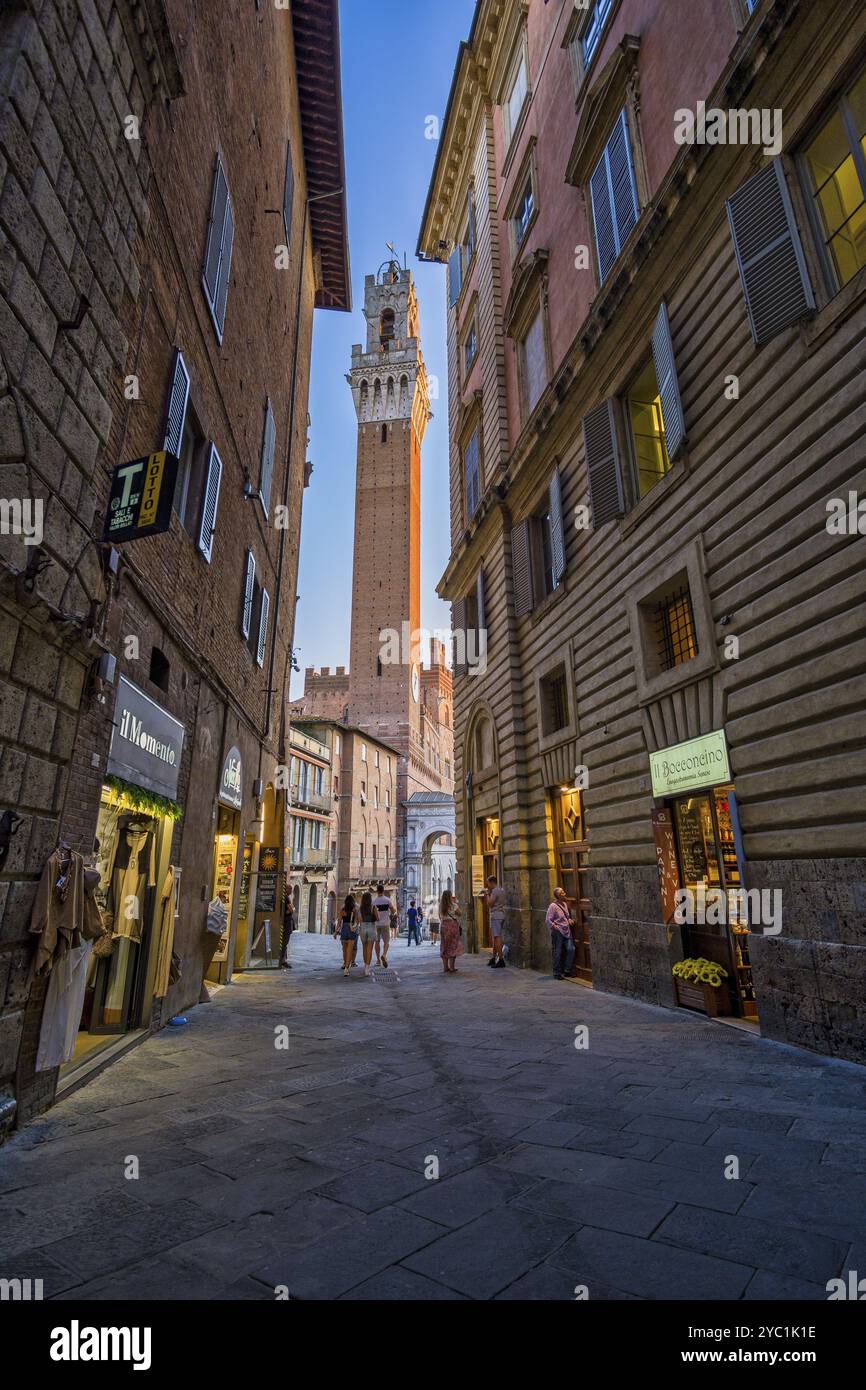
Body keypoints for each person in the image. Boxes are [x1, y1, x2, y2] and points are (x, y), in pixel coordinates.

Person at [546, 886, 575, 980]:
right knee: (557, 952)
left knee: (571, 949)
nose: (564, 893)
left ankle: (567, 970)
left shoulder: (564, 904)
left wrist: (569, 920)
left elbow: (566, 916)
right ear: (558, 896)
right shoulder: (553, 906)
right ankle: (557, 972)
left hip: (567, 930)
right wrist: (555, 926)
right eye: (562, 893)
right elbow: (548, 919)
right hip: (558, 932)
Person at [483, 875, 507, 968]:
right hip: (501, 914)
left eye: (488, 883)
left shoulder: (495, 891)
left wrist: (487, 895)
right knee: (495, 937)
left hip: (496, 915)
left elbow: (490, 904)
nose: (487, 885)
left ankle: (501, 960)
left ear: (492, 882)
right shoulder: (502, 890)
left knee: (497, 937)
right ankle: (493, 958)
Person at [438, 889, 464, 974]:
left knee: (444, 946)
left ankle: (445, 967)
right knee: (453, 945)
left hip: (444, 926)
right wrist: (455, 903)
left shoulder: (440, 906)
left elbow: (439, 917)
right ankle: (452, 967)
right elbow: (460, 913)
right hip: (452, 926)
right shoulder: (453, 905)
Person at [338, 894, 360, 977]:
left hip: (344, 929)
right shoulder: (355, 910)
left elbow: (339, 922)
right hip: (351, 930)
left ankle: (345, 963)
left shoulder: (342, 910)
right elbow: (357, 921)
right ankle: (347, 969)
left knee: (344, 949)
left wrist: (336, 932)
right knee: (350, 950)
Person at [372, 880, 394, 968]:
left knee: (377, 942)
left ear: (377, 891)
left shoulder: (374, 902)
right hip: (386, 923)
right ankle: (384, 955)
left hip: (376, 924)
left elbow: (372, 913)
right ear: (383, 890)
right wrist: (392, 912)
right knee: (386, 941)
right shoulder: (387, 900)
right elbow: (393, 911)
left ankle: (378, 960)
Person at [358, 890, 378, 976]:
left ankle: (365, 966)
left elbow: (359, 920)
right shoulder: (373, 907)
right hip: (371, 928)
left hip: (362, 927)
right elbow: (377, 918)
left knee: (364, 948)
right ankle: (367, 969)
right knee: (369, 949)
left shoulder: (360, 908)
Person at [279, 893, 295, 969]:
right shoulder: (286, 898)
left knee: (285, 942)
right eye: (290, 889)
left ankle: (283, 960)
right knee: (285, 942)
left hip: (286, 923)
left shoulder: (286, 897)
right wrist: (292, 910)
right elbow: (291, 910)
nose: (291, 891)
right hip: (286, 923)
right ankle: (282, 961)